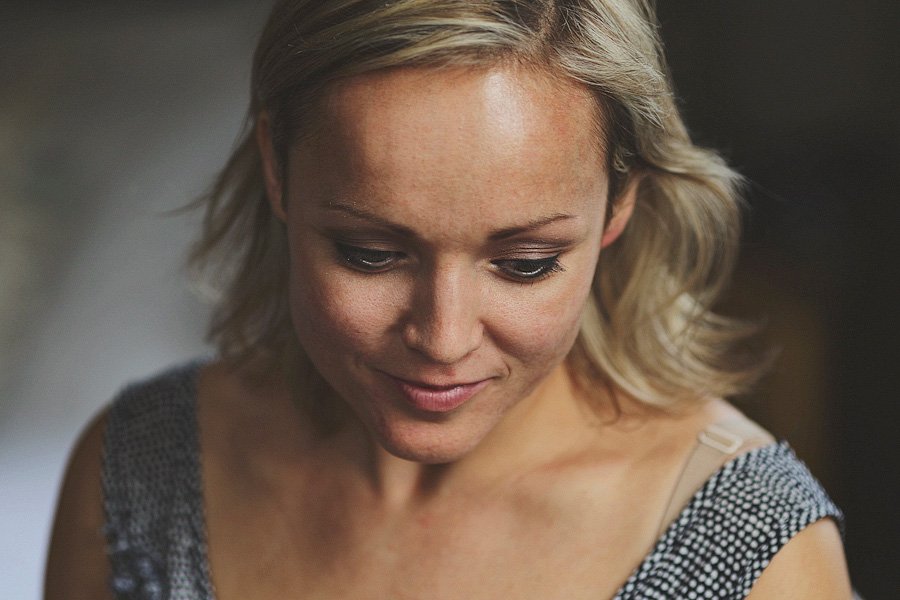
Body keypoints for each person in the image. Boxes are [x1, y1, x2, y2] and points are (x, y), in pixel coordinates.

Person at [45, 1, 854, 598]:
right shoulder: (140, 471)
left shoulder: (755, 551)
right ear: (277, 168)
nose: (442, 336)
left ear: (619, 207)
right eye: (371, 253)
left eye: (526, 262)